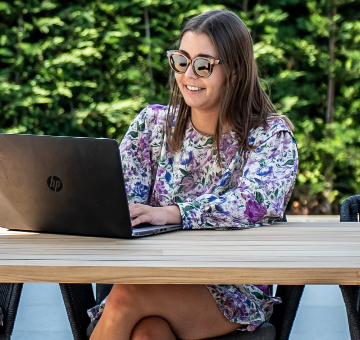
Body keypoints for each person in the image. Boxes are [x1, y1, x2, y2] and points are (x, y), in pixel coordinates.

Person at [88, 9, 299, 340]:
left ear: (236, 72)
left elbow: (253, 203)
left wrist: (173, 214)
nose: (188, 75)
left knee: (128, 295)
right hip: (153, 275)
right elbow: (122, 201)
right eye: (181, 61)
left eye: (203, 65)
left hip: (231, 288)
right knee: (147, 334)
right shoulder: (151, 125)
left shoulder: (271, 136)